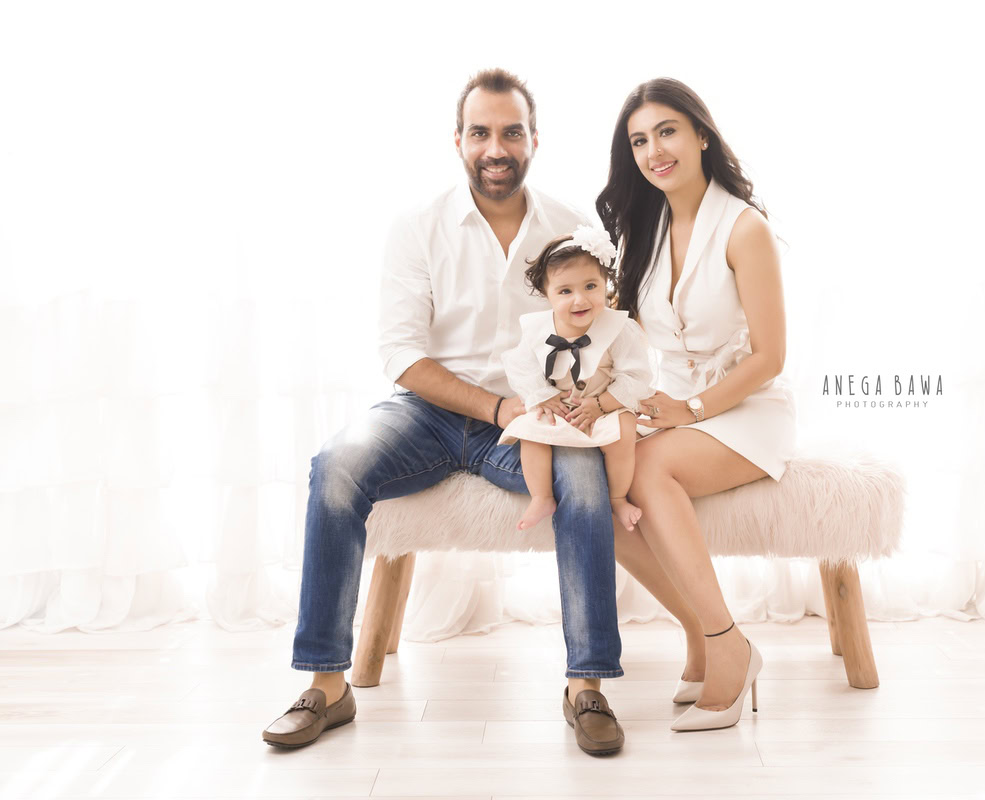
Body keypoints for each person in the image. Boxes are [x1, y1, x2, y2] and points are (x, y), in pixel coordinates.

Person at [262, 68, 626, 756]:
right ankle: (326, 685)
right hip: (427, 411)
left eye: (511, 132)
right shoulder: (418, 227)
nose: (497, 147)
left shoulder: (570, 225)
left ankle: (587, 686)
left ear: (534, 140)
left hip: (531, 420)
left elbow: (604, 329)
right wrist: (491, 402)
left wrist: (582, 398)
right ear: (458, 141)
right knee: (335, 467)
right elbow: (399, 353)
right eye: (481, 132)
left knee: (584, 482)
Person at [597, 77, 796, 731]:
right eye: (639, 140)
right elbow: (619, 335)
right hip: (677, 406)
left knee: (649, 470)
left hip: (747, 409)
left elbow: (770, 356)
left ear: (702, 135)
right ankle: (699, 631)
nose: (655, 149)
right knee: (598, 486)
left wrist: (693, 409)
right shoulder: (644, 229)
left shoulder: (745, 229)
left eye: (668, 131)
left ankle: (728, 647)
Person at [499, 226, 653, 533]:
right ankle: (542, 496)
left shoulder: (618, 328)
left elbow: (635, 375)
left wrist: (601, 404)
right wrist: (541, 395)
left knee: (624, 431)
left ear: (606, 283)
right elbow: (521, 365)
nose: (580, 300)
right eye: (565, 291)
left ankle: (618, 497)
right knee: (532, 431)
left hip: (605, 406)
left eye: (591, 286)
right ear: (547, 294)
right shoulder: (537, 328)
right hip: (561, 407)